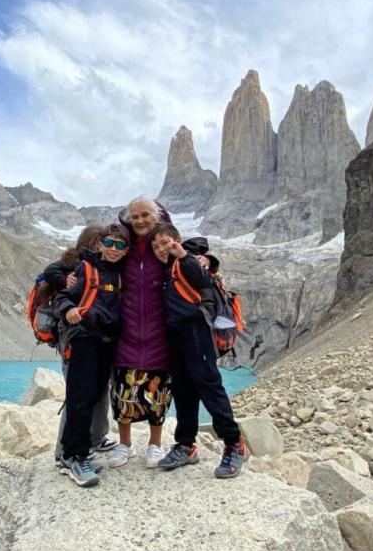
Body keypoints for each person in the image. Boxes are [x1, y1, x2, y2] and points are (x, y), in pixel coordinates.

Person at [150, 222, 249, 479]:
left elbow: (203, 279)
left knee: (208, 385)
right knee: (183, 389)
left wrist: (184, 255)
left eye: (165, 242)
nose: (161, 248)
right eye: (156, 245)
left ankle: (234, 443)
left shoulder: (186, 261)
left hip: (196, 330)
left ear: (176, 242)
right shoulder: (164, 268)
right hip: (176, 335)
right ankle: (186, 445)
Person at [53, 224, 129, 487]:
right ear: (100, 244)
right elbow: (62, 297)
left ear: (126, 250)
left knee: (95, 395)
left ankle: (77, 453)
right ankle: (74, 456)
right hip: (84, 339)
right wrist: (68, 310)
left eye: (120, 245)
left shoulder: (121, 275)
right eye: (109, 243)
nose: (113, 249)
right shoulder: (85, 269)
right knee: (80, 398)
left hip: (107, 343)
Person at [108, 197, 173, 469]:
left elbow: (191, 256)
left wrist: (207, 261)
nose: (140, 221)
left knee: (159, 395)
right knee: (123, 392)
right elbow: (95, 257)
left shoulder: (166, 243)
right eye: (135, 216)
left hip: (160, 332)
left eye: (145, 215)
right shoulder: (123, 244)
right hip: (127, 330)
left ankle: (155, 446)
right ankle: (125, 445)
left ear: (156, 216)